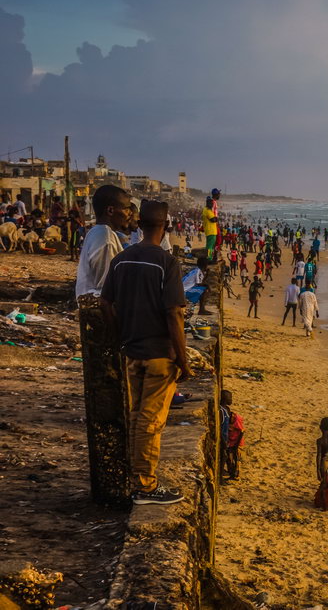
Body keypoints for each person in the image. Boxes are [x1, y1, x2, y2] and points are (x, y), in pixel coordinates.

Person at [100, 200, 189, 505]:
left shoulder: (123, 260)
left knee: (137, 417)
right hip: (159, 356)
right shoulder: (167, 263)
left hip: (131, 352)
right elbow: (174, 314)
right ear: (165, 226)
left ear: (139, 224)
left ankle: (138, 478)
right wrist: (184, 359)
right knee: (150, 422)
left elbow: (105, 304)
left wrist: (118, 339)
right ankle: (146, 487)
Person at [75, 185, 131, 298]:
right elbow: (105, 288)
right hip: (100, 311)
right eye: (126, 209)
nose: (130, 213)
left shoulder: (97, 231)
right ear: (110, 210)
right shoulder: (106, 238)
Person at [224, 397, 245, 480]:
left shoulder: (236, 420)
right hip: (231, 442)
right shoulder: (230, 420)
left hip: (237, 443)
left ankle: (236, 475)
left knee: (236, 460)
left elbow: (242, 432)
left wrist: (236, 444)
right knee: (230, 458)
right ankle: (231, 473)